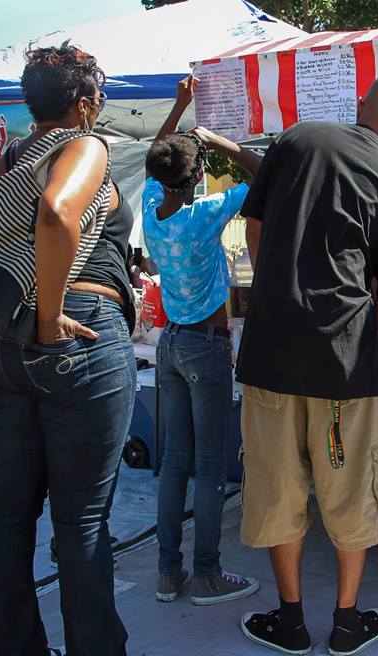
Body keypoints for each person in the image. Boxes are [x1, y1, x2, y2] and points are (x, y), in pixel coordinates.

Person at [236, 75, 378, 656]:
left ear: (361, 105)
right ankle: (347, 623)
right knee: (349, 493)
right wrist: (374, 368)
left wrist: (275, 288)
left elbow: (256, 227)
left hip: (271, 354)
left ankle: (289, 621)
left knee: (278, 489)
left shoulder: (297, 140)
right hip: (346, 370)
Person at [0, 42, 135, 656]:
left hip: (1, 344)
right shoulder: (84, 146)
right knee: (81, 521)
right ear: (87, 104)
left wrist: (32, 320)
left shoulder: (12, 157)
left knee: (9, 517)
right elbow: (59, 213)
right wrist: (48, 318)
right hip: (75, 334)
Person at [143, 76, 262, 606]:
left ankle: (169, 573)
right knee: (210, 467)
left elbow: (155, 156)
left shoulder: (152, 211)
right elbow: (265, 172)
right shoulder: (203, 215)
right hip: (207, 347)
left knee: (174, 464)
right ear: (197, 179)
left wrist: (179, 107)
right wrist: (216, 141)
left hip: (169, 345)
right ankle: (208, 571)